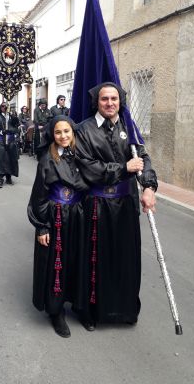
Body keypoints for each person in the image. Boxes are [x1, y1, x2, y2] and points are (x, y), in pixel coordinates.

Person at [75, 82, 158, 329]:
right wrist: (122, 169)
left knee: (125, 258)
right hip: (98, 205)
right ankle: (91, 311)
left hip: (126, 205)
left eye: (114, 98)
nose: (110, 103)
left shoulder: (128, 127)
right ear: (96, 102)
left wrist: (149, 187)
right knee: (95, 259)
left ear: (120, 101)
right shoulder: (84, 130)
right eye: (104, 99)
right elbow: (87, 167)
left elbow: (143, 159)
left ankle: (124, 310)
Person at [27, 115, 88, 338]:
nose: (63, 136)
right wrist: (42, 226)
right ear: (52, 135)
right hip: (57, 218)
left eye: (67, 131)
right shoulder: (48, 160)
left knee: (78, 261)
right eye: (58, 132)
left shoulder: (82, 156)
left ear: (73, 132)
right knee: (57, 265)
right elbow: (38, 196)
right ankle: (56, 311)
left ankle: (80, 306)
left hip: (78, 216)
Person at [0, 103, 20, 188]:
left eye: (6, 106)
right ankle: (0, 179)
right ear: (1, 107)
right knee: (0, 159)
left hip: (10, 139)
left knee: (10, 158)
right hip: (1, 139)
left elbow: (17, 127)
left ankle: (9, 177)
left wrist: (13, 131)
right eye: (3, 106)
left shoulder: (12, 116)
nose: (5, 108)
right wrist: (0, 132)